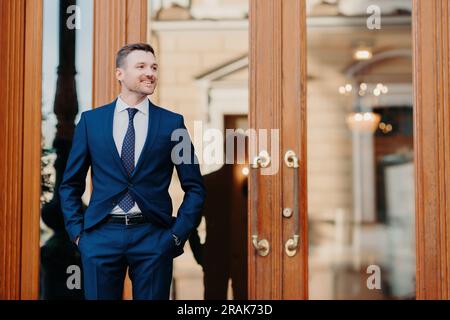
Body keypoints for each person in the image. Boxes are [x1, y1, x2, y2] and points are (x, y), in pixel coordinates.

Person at [59, 43, 206, 300]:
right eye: (141, 66)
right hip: (100, 237)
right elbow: (70, 184)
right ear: (120, 74)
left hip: (153, 238)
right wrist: (79, 236)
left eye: (154, 67)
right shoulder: (91, 122)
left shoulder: (173, 124)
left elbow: (194, 187)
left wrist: (175, 236)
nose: (150, 73)